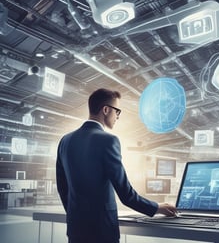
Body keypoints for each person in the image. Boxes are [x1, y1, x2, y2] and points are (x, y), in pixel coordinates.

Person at [56, 88, 177, 243]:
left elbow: (62, 188)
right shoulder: (108, 140)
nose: (117, 117)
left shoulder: (65, 141)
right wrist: (157, 207)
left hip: (76, 229)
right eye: (117, 111)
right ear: (106, 110)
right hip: (102, 231)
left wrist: (77, 217)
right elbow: (126, 195)